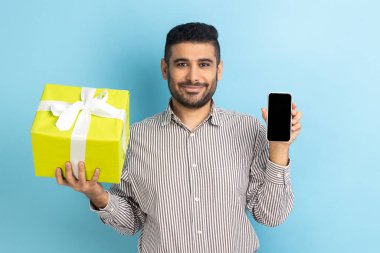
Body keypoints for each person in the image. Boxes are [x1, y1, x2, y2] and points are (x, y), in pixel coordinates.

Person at [55, 22, 302, 253]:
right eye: (182, 64)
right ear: (165, 69)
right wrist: (98, 195)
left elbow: (271, 216)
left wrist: (279, 150)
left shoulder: (248, 129)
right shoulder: (135, 137)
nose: (193, 77)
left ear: (219, 70)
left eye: (204, 64)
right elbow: (131, 222)